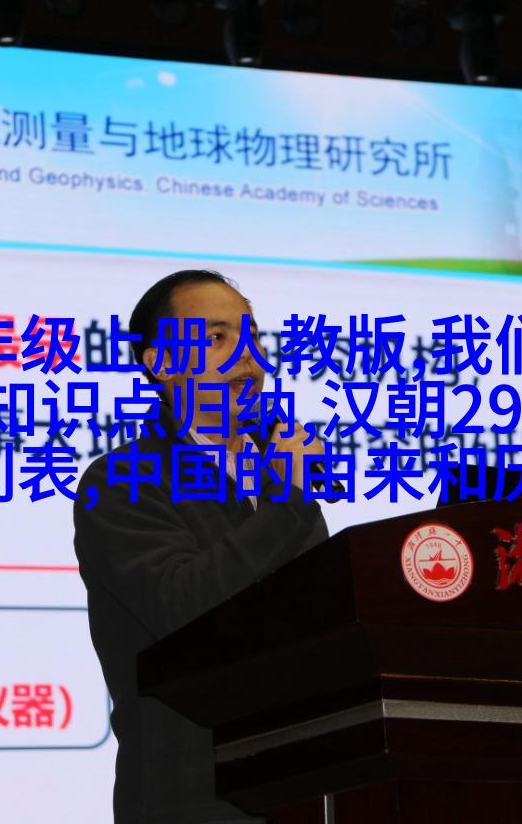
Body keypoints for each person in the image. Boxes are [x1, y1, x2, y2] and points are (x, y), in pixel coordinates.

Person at [72, 269, 330, 824]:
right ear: (161, 363)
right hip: (195, 800)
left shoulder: (279, 477)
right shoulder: (121, 483)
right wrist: (288, 500)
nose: (247, 357)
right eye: (217, 338)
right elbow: (185, 607)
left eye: (251, 337)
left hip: (310, 788)